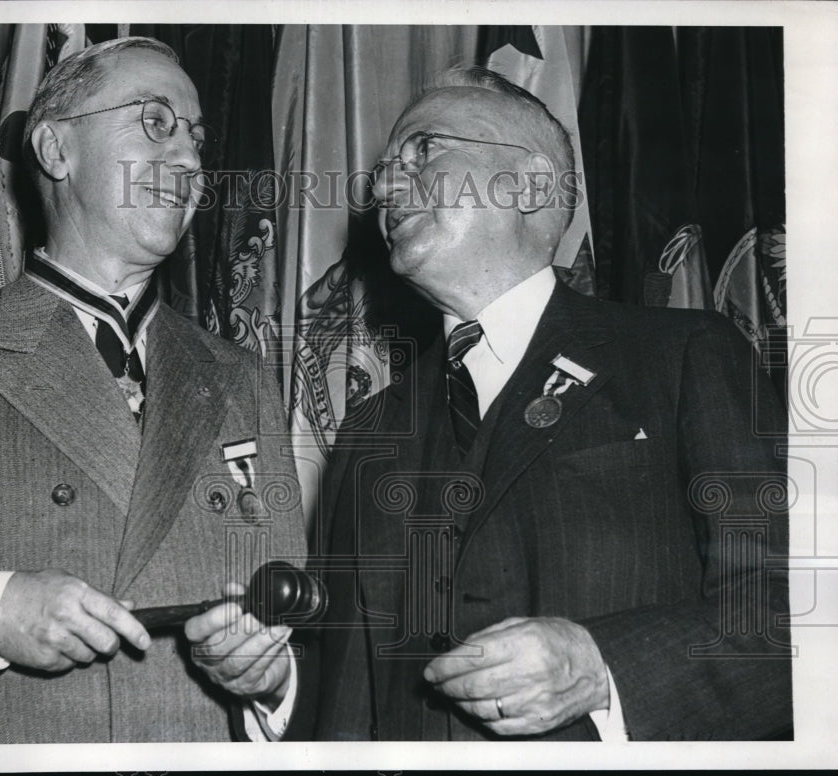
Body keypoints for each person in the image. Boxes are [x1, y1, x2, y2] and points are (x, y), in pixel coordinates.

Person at [312, 66, 791, 741]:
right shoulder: (368, 431)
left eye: (424, 150)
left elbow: (789, 613)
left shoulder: (686, 357)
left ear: (532, 185)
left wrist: (603, 670)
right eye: (385, 168)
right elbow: (346, 707)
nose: (384, 186)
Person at [0, 37, 307, 744]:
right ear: (55, 150)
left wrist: (270, 682)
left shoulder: (243, 377)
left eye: (197, 138)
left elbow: (295, 623)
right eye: (156, 122)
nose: (192, 161)